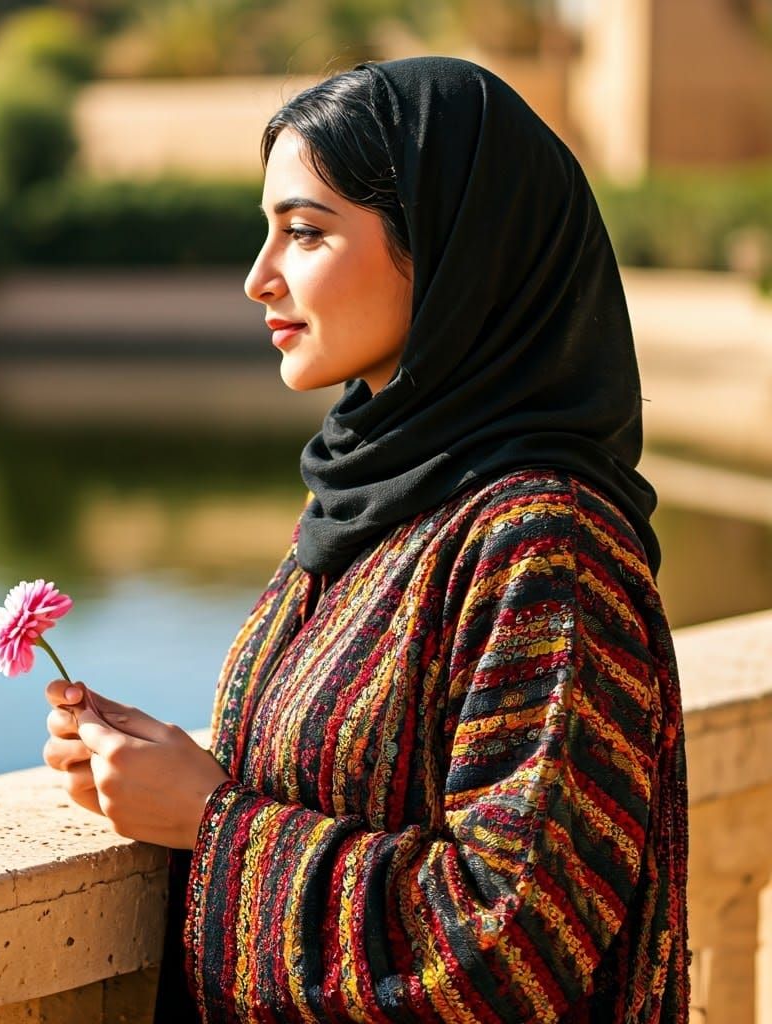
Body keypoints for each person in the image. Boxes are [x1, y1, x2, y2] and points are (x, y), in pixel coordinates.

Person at [42, 56, 690, 1023]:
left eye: (304, 233)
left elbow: (511, 949)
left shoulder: (546, 548)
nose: (259, 278)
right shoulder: (373, 502)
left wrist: (211, 822)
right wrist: (166, 769)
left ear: (449, 249)